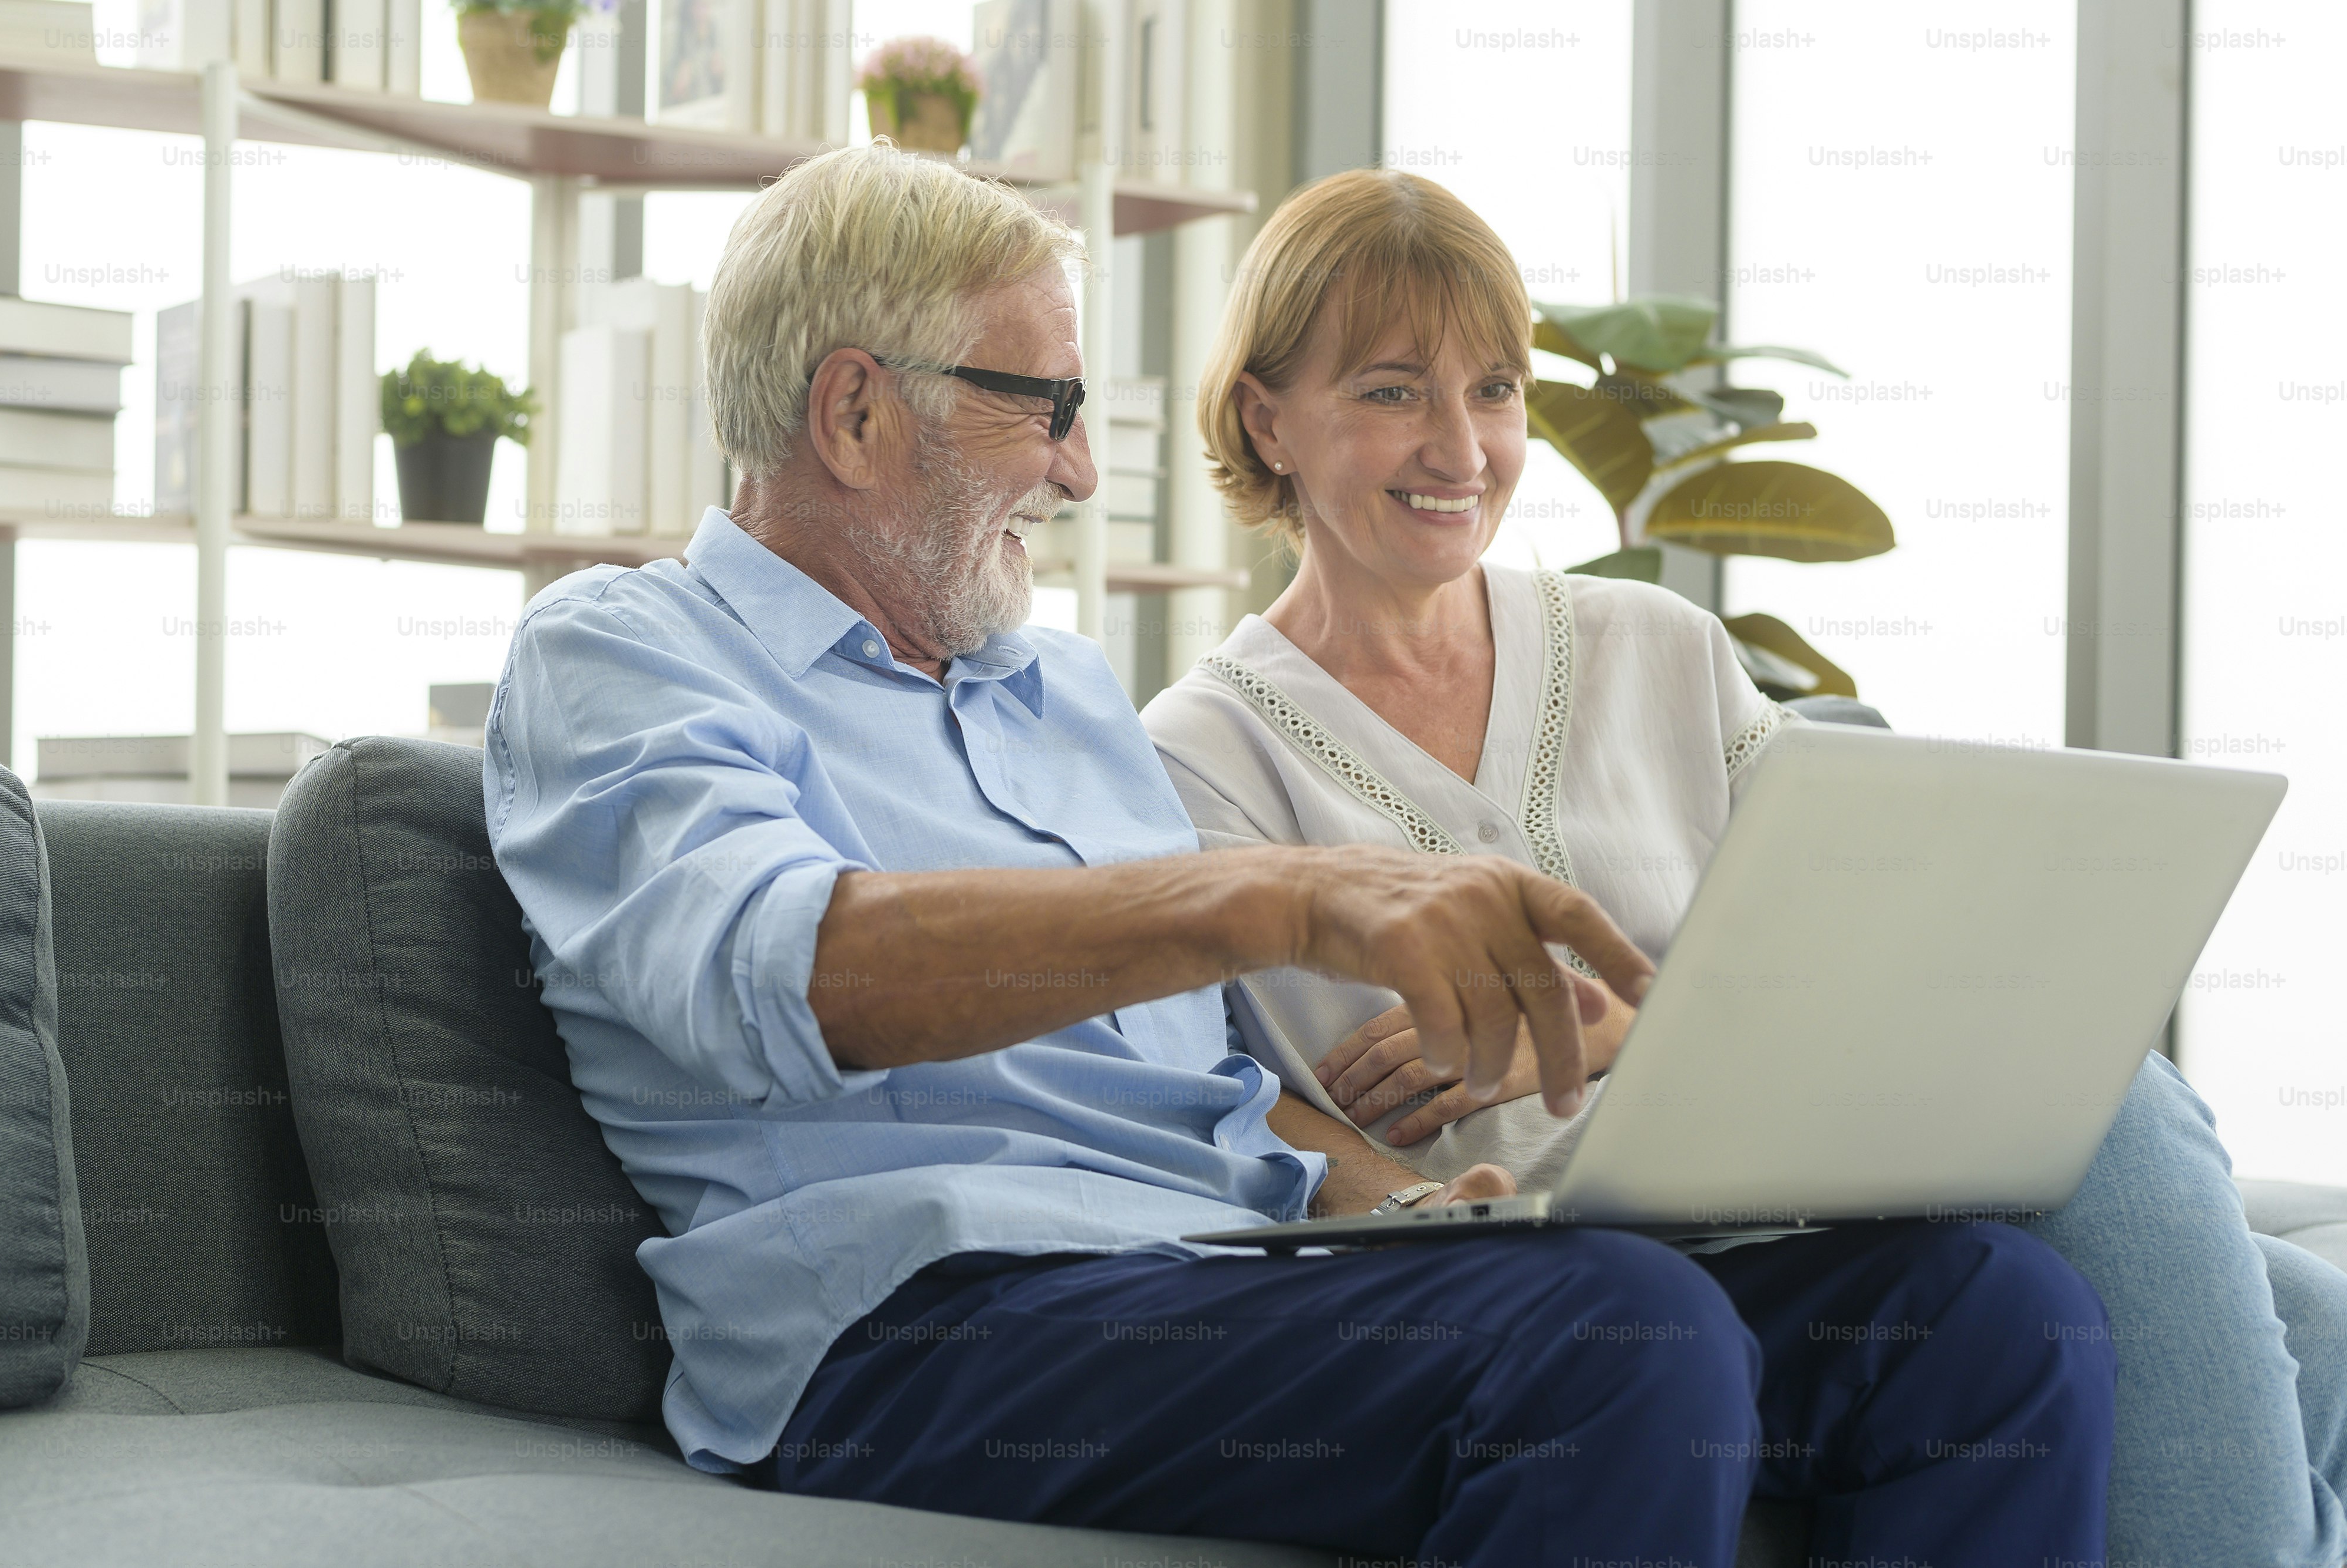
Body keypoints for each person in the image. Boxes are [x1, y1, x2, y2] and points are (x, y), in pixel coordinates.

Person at [482, 143, 2115, 1568]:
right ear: (854, 411)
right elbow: (797, 970)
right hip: (913, 1316)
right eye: (1044, 407)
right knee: (1627, 1330)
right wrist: (1275, 893)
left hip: (1222, 1259)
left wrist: (1421, 1208)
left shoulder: (1054, 691)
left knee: (1983, 1313)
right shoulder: (623, 655)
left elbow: (1216, 1095)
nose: (1074, 468)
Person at [1139, 163, 2347, 1568]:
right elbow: (1209, 1099)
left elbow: (1852, 943)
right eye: (1392, 390)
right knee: (2193, 1217)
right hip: (1532, 1288)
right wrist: (1403, 1202)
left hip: (1793, 1215)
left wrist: (1632, 1029)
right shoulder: (1196, 754)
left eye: (1496, 390)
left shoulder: (1658, 646)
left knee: (2295, 1297)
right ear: (1263, 417)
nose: (1461, 447)